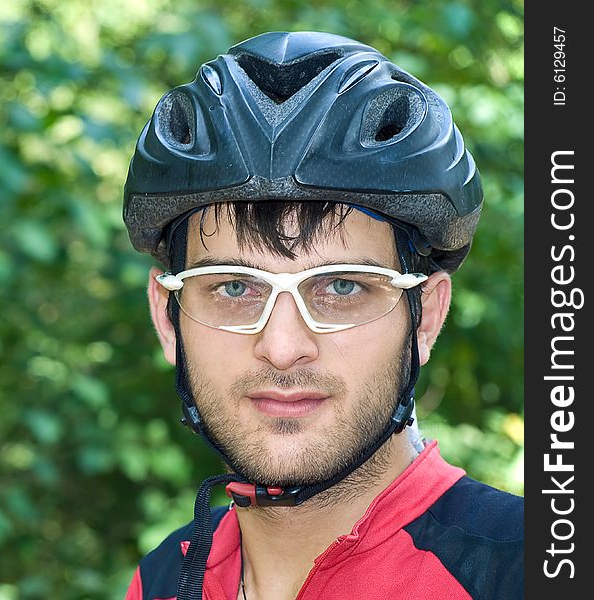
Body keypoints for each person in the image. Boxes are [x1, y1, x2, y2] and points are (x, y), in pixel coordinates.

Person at [121, 31, 523, 600]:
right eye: (235, 287)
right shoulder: (165, 579)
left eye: (341, 286)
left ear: (425, 318)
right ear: (168, 318)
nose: (283, 346)